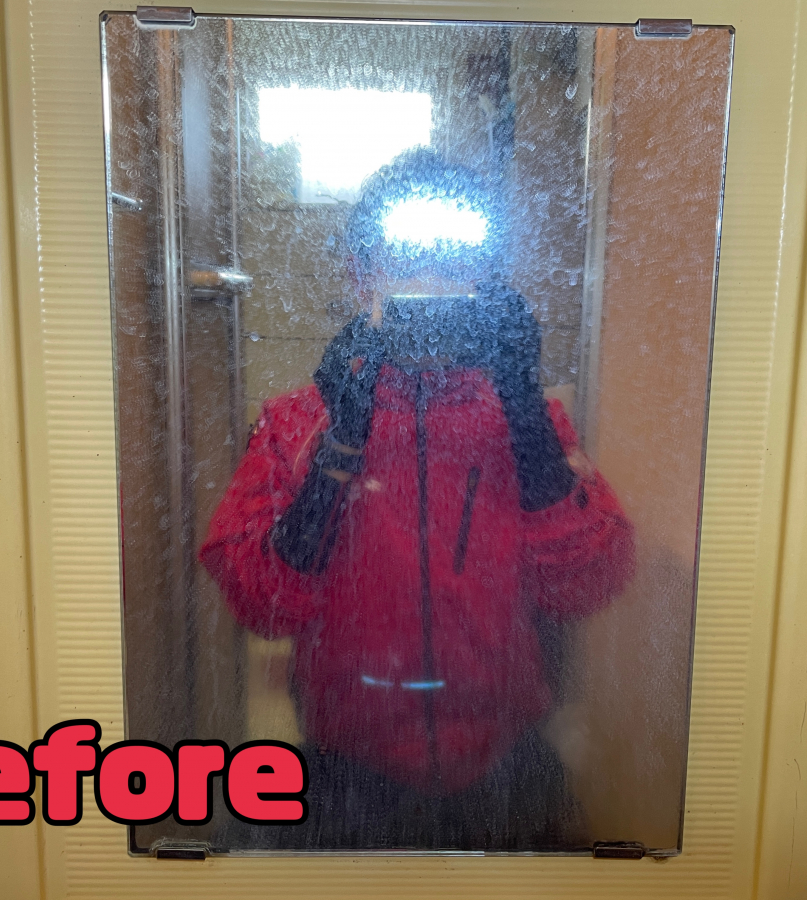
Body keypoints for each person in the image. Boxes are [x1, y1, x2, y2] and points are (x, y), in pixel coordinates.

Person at [199, 148, 634, 850]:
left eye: (454, 257)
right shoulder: (299, 423)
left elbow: (587, 585)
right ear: (358, 274)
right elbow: (259, 604)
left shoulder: (527, 420)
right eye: (405, 257)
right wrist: (338, 448)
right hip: (345, 764)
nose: (430, 281)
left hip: (506, 760)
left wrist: (524, 408)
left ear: (487, 276)